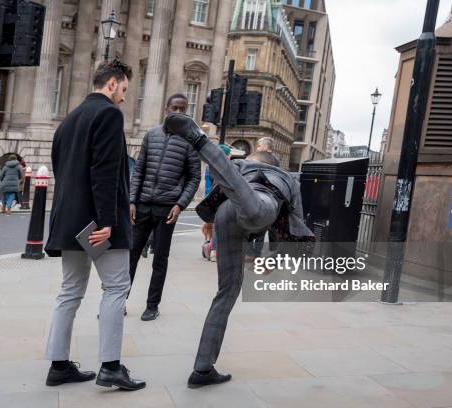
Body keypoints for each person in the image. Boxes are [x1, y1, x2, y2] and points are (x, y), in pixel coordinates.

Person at [163, 113, 313, 389]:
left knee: (226, 292)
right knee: (251, 204)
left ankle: (203, 369)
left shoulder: (244, 167)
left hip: (226, 212)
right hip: (258, 205)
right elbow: (295, 223)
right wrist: (275, 259)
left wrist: (209, 222)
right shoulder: (287, 178)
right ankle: (199, 140)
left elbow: (224, 187)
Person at [44, 60, 145, 391]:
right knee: (116, 287)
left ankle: (59, 365)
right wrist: (107, 221)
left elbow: (62, 170)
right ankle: (111, 367)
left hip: (69, 220)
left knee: (70, 291)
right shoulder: (108, 115)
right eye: (125, 90)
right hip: (98, 224)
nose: (124, 99)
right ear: (113, 83)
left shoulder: (68, 121)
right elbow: (105, 171)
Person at [128, 93, 201, 321]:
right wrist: (132, 200)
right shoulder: (151, 135)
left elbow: (194, 178)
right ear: (166, 110)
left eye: (182, 109)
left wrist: (180, 204)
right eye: (174, 108)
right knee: (130, 256)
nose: (178, 112)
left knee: (160, 260)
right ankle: (117, 301)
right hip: (142, 206)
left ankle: (152, 305)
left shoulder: (190, 141)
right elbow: (139, 170)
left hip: (167, 209)